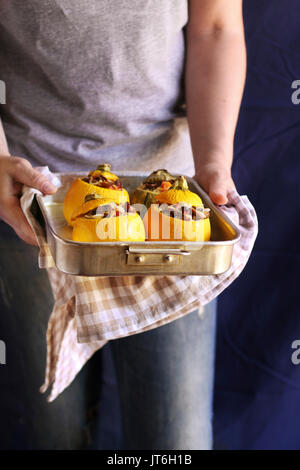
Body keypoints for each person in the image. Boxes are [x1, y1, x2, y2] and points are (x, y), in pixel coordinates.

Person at [0, 1, 246, 450]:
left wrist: (214, 162)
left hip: (172, 211)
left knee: (175, 441)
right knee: (52, 430)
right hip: (31, 198)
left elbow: (216, 27)